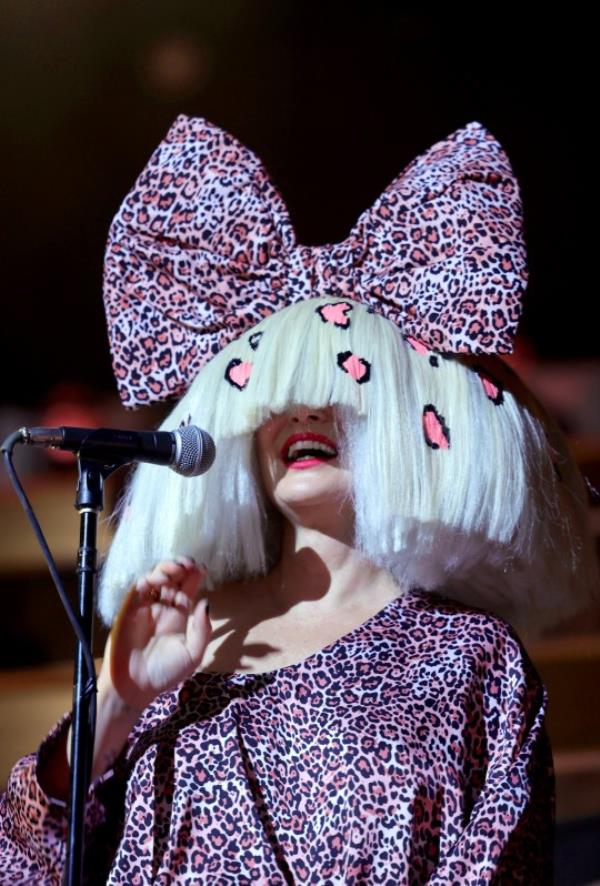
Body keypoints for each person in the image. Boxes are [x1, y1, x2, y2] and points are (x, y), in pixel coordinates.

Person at [0, 118, 597, 884]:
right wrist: (114, 705)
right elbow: (21, 866)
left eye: (341, 388)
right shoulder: (176, 648)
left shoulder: (472, 662)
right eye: (276, 395)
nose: (302, 414)